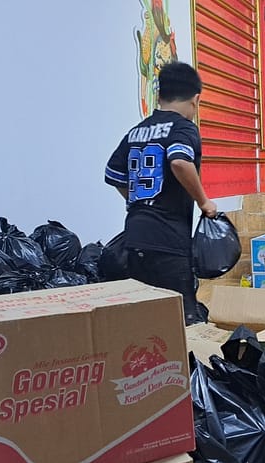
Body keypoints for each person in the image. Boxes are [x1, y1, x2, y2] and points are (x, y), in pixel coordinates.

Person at [105, 61, 217, 325]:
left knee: (144, 318)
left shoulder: (136, 131)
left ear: (160, 94)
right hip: (169, 242)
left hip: (135, 239)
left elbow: (113, 174)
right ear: (196, 100)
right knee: (180, 320)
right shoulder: (183, 128)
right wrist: (204, 202)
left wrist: (136, 201)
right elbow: (179, 161)